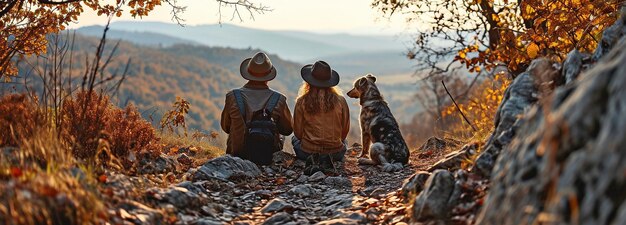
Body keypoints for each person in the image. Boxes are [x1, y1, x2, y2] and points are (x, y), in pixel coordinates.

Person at [221, 52, 293, 165]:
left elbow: (225, 127)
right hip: (267, 155)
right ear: (268, 76)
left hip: (237, 154)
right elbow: (287, 130)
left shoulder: (232, 96)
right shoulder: (279, 99)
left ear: (248, 73)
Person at [292, 60, 350, 174]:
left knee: (294, 140)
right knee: (345, 142)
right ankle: (326, 159)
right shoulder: (341, 101)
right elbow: (344, 132)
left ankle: (316, 159)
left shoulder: (301, 101)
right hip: (336, 152)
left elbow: (298, 133)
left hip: (308, 152)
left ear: (308, 82)